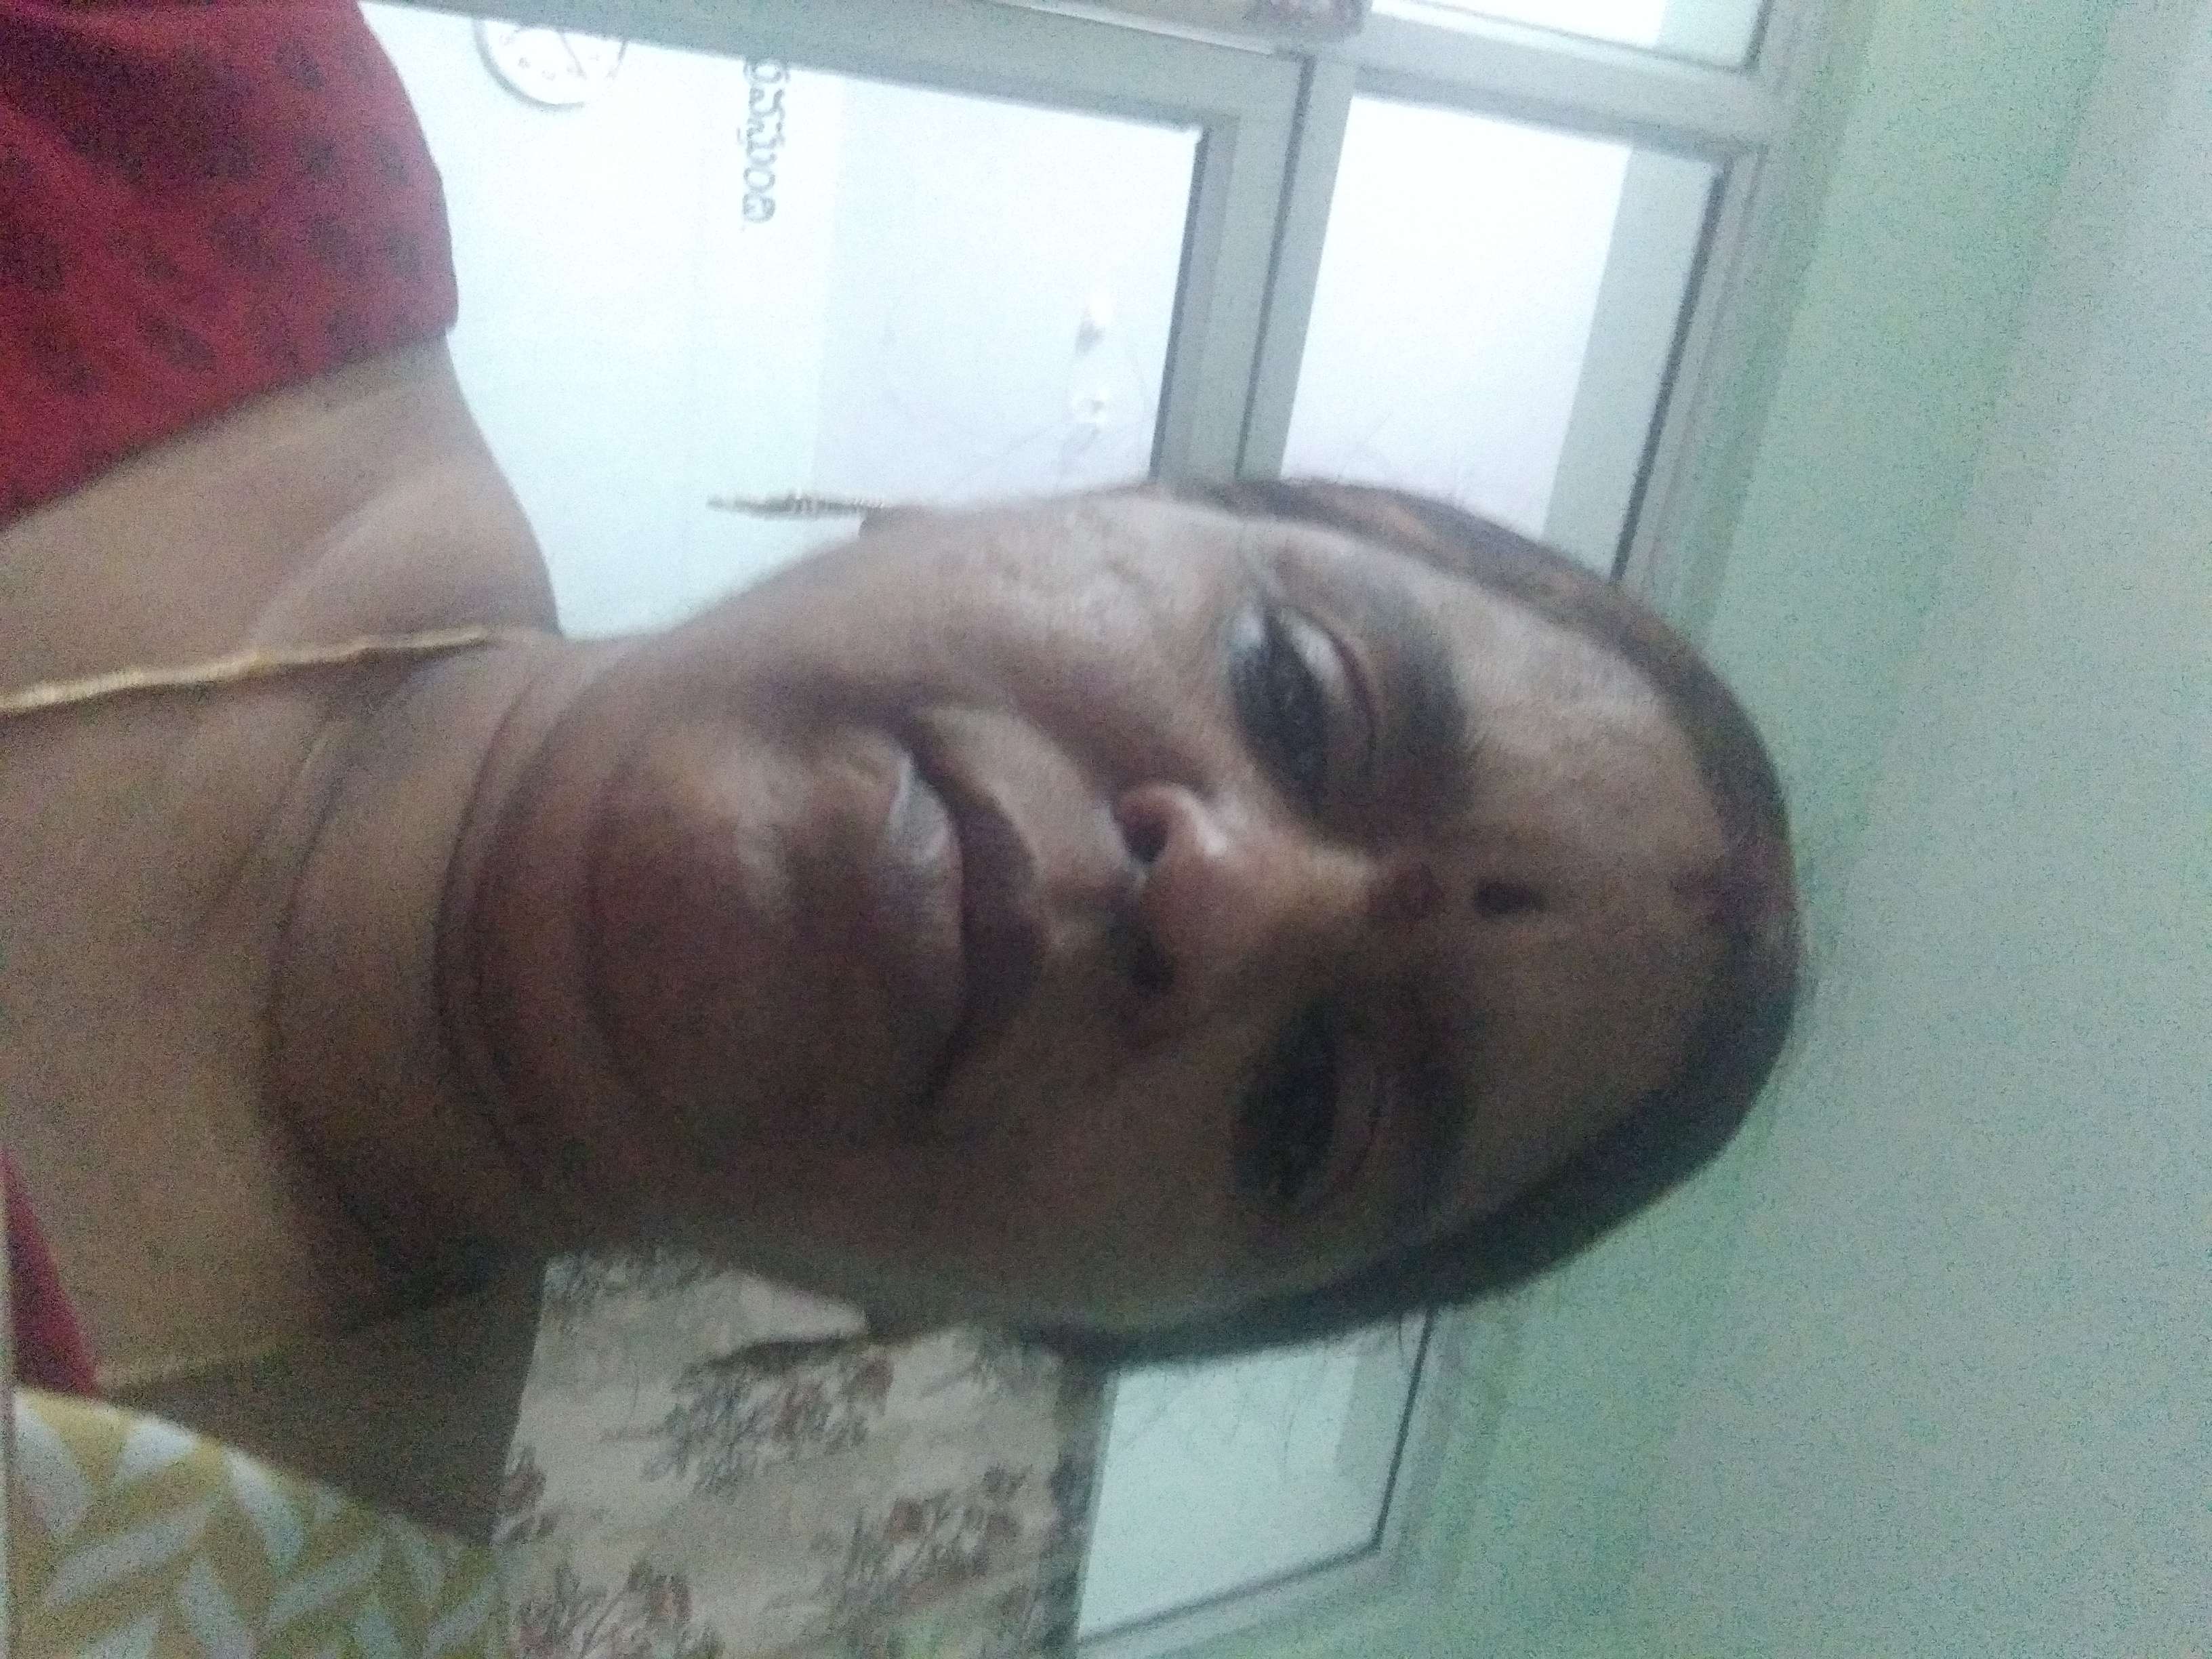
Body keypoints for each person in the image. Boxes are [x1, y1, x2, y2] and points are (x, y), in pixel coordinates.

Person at [2, 0, 1799, 1540]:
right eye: (1296, 693)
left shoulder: (214, 1615)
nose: (1222, 900)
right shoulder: (171, 100)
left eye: (1310, 1112)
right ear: (1031, 506)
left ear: (1046, 1324)